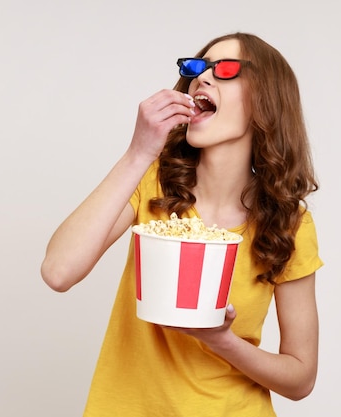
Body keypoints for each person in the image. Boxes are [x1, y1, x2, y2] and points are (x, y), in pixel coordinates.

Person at [41, 32, 323, 416]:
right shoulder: (153, 183)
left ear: (267, 102)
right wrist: (139, 151)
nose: (202, 78)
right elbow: (58, 271)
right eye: (197, 68)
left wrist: (222, 340)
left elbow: (301, 378)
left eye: (224, 70)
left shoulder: (289, 224)